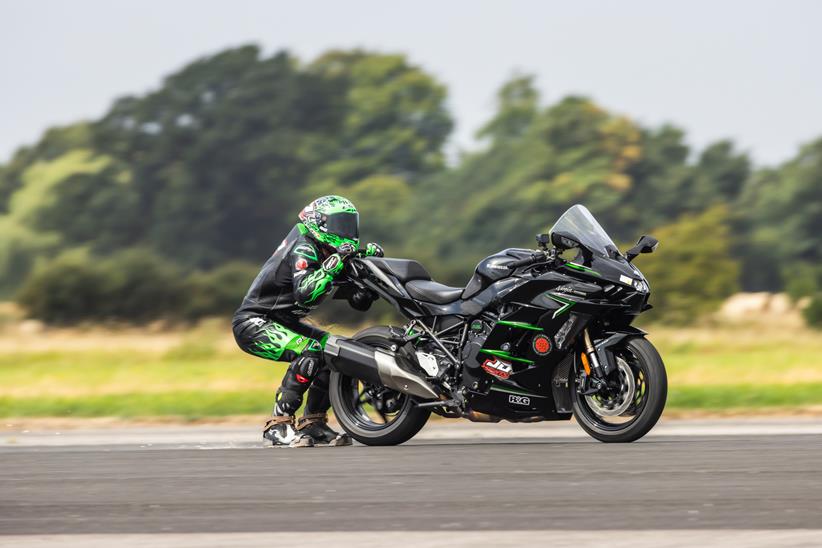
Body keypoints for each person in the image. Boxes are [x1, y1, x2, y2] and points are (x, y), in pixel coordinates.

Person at [233, 196, 383, 447]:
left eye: (349, 225)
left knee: (336, 351)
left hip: (284, 320)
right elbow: (306, 291)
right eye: (339, 225)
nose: (345, 232)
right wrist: (334, 265)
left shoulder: (330, 251)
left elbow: (359, 301)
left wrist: (368, 275)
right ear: (318, 223)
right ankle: (279, 424)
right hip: (254, 322)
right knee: (311, 351)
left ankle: (313, 423)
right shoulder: (304, 246)